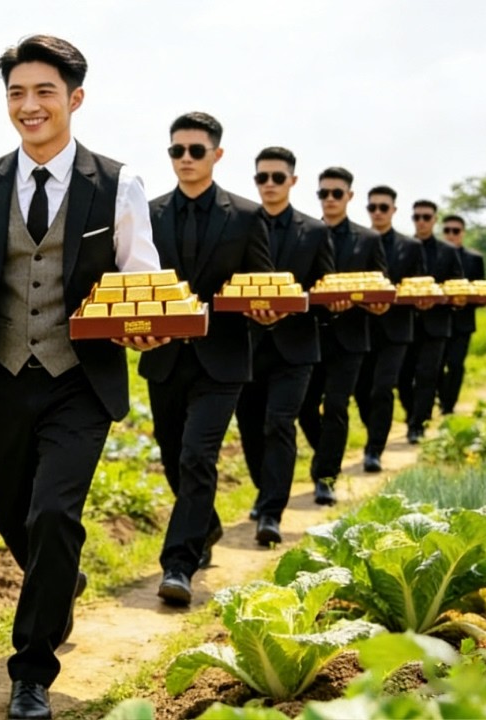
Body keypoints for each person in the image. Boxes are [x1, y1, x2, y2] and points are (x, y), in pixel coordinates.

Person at [0, 35, 158, 719]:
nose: (29, 105)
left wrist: (146, 324)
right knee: (12, 513)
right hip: (6, 376)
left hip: (81, 379)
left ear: (75, 98)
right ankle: (60, 577)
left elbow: (143, 280)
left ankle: (31, 671)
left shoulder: (118, 184)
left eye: (44, 91)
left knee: (53, 513)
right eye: (17, 93)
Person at [141, 112, 271, 607]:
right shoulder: (147, 214)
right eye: (177, 150)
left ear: (217, 154)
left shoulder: (246, 216)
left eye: (196, 150)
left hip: (223, 359)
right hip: (164, 357)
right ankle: (207, 524)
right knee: (174, 457)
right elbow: (134, 281)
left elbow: (260, 285)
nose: (186, 159)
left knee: (198, 456)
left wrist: (266, 314)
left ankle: (178, 564)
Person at [235, 147, 333, 546]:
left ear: (293, 181)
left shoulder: (315, 231)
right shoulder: (238, 224)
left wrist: (294, 307)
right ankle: (265, 491)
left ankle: (272, 511)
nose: (270, 184)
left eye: (278, 177)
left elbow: (324, 291)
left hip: (296, 347)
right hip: (245, 345)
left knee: (279, 423)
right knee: (249, 426)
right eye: (263, 177)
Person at [297, 167, 387, 504]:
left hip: (351, 337)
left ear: (349, 196)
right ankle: (326, 455)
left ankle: (326, 477)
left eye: (337, 193)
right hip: (309, 336)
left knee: (336, 405)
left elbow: (380, 288)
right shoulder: (305, 234)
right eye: (324, 193)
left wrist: (368, 302)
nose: (330, 199)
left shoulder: (369, 240)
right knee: (305, 407)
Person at [355, 185, 425, 472]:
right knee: (361, 391)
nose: (378, 212)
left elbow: (418, 286)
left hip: (396, 329)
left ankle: (374, 449)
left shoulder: (411, 247)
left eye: (383, 207)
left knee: (382, 388)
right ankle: (374, 430)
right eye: (372, 207)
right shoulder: (358, 242)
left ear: (394, 210)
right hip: (361, 327)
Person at [398, 200, 464, 443]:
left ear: (435, 220)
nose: (421, 222)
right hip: (406, 322)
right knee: (403, 376)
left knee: (427, 375)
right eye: (417, 217)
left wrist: (437, 298)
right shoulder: (402, 247)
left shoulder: (448, 251)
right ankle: (411, 414)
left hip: (436, 323)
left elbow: (457, 285)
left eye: (426, 217)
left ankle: (418, 424)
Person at [437, 214, 486, 415]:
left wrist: (469, 299)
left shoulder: (475, 259)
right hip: (438, 320)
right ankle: (442, 399)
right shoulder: (435, 256)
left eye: (455, 231)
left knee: (456, 364)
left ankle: (449, 406)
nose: (451, 235)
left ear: (463, 233)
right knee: (436, 365)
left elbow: (481, 289)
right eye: (447, 230)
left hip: (463, 320)